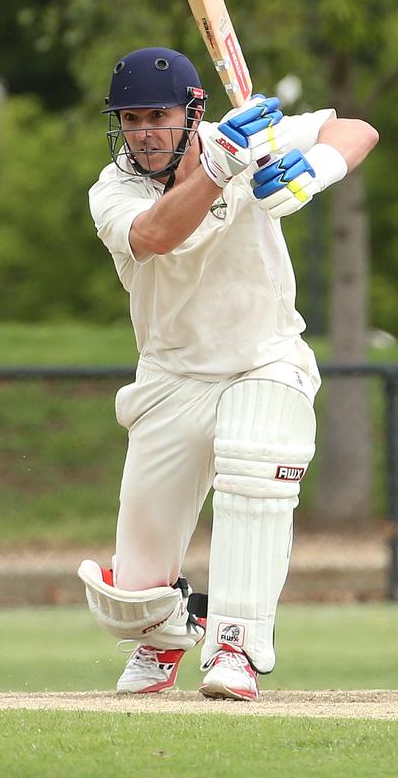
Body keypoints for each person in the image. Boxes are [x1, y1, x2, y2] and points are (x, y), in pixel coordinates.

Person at [77, 46, 378, 700]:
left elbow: (357, 130)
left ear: (193, 110)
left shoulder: (244, 136)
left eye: (156, 115)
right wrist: (218, 170)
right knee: (130, 594)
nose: (143, 132)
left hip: (263, 358)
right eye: (129, 119)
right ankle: (168, 629)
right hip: (172, 377)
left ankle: (237, 643)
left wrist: (310, 171)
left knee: (256, 455)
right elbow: (158, 235)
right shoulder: (115, 188)